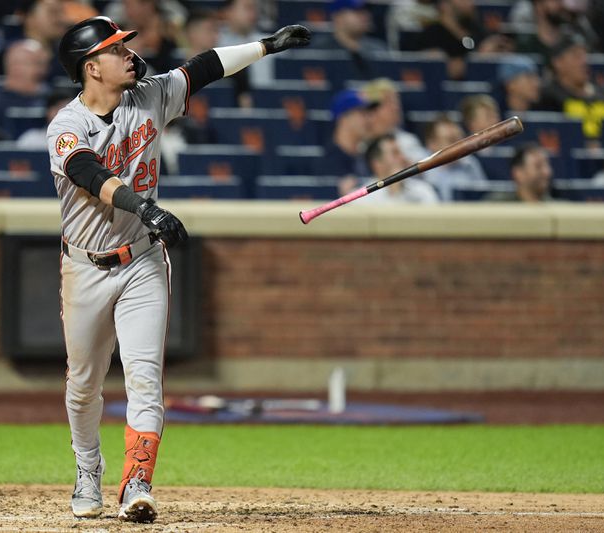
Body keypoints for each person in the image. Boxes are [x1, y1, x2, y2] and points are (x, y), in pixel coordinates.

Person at [48, 16, 310, 523]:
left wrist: (266, 45)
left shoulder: (148, 95)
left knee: (144, 378)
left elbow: (203, 68)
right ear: (91, 67)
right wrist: (144, 206)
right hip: (85, 267)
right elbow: (86, 170)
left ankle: (136, 482)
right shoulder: (67, 123)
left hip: (143, 259)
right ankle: (87, 468)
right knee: (84, 384)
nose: (129, 53)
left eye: (126, 46)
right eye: (116, 49)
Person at [535, 31, 604, 143]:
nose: (584, 61)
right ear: (557, 62)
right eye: (576, 55)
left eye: (585, 55)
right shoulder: (547, 97)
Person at [400, 0, 511, 80]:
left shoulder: (476, 28)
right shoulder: (432, 33)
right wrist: (477, 59)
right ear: (444, 5)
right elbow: (439, 70)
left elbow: (475, 46)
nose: (470, 3)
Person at [310, 0, 388, 81]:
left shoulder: (379, 49)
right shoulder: (319, 49)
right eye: (357, 11)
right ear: (337, 16)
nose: (365, 15)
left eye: (367, 11)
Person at [315, 88, 374, 191]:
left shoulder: (366, 157)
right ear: (344, 117)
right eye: (362, 113)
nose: (369, 119)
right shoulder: (328, 162)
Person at [419, 113, 488, 201]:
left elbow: (482, 197)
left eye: (459, 139)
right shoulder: (420, 167)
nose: (458, 146)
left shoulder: (470, 164)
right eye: (451, 140)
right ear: (432, 144)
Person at [362, 133, 440, 204]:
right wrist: (395, 191)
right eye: (395, 153)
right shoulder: (364, 198)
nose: (403, 157)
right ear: (377, 163)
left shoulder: (423, 191)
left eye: (401, 152)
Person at [361, 77, 425, 157]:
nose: (396, 107)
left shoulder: (407, 143)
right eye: (389, 102)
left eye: (396, 102)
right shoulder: (358, 144)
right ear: (372, 110)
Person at [485, 143, 555, 202]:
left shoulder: (556, 208)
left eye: (547, 166)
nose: (547, 172)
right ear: (518, 173)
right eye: (538, 166)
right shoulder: (497, 206)